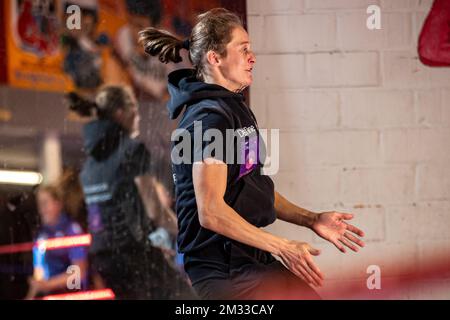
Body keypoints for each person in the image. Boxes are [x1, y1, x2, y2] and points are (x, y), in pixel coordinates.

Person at [139, 8, 366, 299]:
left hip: (250, 259)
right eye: (243, 49)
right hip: (224, 271)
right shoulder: (209, 118)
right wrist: (284, 246)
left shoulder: (232, 108)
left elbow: (250, 186)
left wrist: (311, 219)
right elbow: (211, 212)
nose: (252, 57)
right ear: (214, 58)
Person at [66, 85, 195, 299]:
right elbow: (155, 210)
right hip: (133, 253)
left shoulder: (90, 162)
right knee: (186, 300)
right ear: (120, 113)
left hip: (104, 257)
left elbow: (112, 211)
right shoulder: (132, 149)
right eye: (134, 107)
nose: (138, 114)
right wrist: (190, 235)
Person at [26, 185, 88, 299]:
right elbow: (38, 271)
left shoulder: (71, 230)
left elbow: (79, 273)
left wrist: (48, 285)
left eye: (45, 203)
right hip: (50, 294)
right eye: (39, 204)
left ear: (58, 204)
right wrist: (30, 296)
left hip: (72, 294)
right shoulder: (41, 234)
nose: (42, 209)